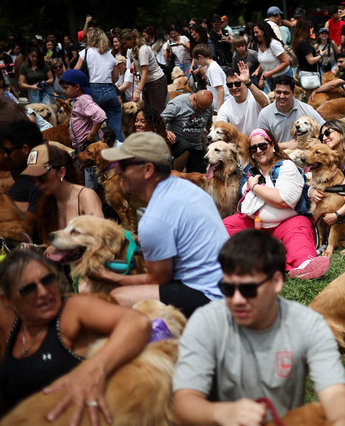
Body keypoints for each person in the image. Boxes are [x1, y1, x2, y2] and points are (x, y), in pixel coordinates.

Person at [172, 229, 345, 425]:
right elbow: (183, 403)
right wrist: (220, 412)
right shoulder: (206, 322)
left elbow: (335, 393)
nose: (237, 299)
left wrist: (341, 420)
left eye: (248, 289)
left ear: (276, 282)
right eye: (228, 289)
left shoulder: (308, 325)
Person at [0, 248, 151, 419]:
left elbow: (138, 322)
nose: (43, 292)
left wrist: (95, 368)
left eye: (47, 279)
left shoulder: (73, 309)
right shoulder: (12, 327)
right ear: (8, 300)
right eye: (28, 289)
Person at [97, 132, 229, 317]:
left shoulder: (154, 218)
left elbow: (158, 280)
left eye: (124, 165)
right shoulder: (184, 187)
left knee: (116, 297)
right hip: (226, 286)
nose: (117, 170)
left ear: (148, 170)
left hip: (211, 298)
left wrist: (109, 277)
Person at [223, 129, 330, 279]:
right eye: (254, 148)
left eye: (263, 146)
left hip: (286, 222)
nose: (259, 151)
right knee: (221, 228)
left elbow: (283, 200)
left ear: (272, 145)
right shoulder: (250, 170)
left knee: (299, 233)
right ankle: (262, 260)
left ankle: (304, 264)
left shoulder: (286, 166)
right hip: (253, 223)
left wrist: (255, 187)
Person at [21, 143, 102, 244]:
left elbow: (101, 237)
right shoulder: (46, 204)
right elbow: (48, 245)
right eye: (32, 180)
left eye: (41, 177)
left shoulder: (85, 196)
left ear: (61, 172)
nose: (37, 184)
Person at [75, 28, 123, 143]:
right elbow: (115, 78)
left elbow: (76, 72)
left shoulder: (85, 53)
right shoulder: (110, 55)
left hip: (93, 91)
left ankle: (97, 151)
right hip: (111, 91)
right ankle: (120, 153)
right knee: (116, 129)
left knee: (93, 127)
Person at [257, 75, 325, 149]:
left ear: (293, 93)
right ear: (274, 92)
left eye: (286, 93)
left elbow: (324, 128)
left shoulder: (306, 109)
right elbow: (262, 144)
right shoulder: (265, 114)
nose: (282, 96)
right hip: (278, 157)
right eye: (278, 92)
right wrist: (285, 145)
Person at [161, 90, 213, 173]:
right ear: (194, 99)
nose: (202, 112)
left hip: (195, 144)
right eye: (200, 108)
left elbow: (209, 125)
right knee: (185, 146)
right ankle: (175, 175)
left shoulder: (208, 107)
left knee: (199, 175)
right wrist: (165, 131)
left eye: (205, 110)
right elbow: (159, 122)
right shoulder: (178, 104)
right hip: (176, 142)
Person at [120, 28, 168, 114]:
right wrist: (134, 68)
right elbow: (133, 63)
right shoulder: (130, 50)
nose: (124, 46)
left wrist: (138, 91)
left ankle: (159, 127)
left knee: (156, 112)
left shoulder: (143, 50)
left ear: (131, 39)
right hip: (147, 82)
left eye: (125, 43)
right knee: (147, 111)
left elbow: (145, 72)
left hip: (156, 81)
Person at [2, 120, 43, 221]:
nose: (5, 155)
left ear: (25, 149)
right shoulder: (48, 169)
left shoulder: (31, 182)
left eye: (8, 151)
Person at [59, 70, 106, 156]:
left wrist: (91, 135)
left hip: (88, 146)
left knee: (91, 167)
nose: (63, 91)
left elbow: (100, 115)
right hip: (82, 146)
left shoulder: (83, 100)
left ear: (77, 87)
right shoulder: (79, 99)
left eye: (65, 88)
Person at [217, 62, 269, 137]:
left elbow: (265, 104)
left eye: (237, 84)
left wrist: (248, 82)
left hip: (260, 143)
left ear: (244, 83)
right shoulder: (226, 106)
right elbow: (219, 128)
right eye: (230, 85)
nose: (234, 88)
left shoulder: (256, 95)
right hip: (240, 145)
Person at [252, 21, 291, 93]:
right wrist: (258, 70)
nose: (255, 35)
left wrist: (271, 72)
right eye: (254, 33)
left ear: (264, 31)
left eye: (257, 32)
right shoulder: (259, 45)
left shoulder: (274, 44)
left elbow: (286, 62)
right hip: (269, 78)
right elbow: (265, 61)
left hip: (282, 77)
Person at [191, 43, 230, 112]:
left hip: (222, 106)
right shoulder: (209, 67)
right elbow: (201, 68)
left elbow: (220, 89)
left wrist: (219, 108)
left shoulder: (213, 69)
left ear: (200, 57)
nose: (198, 63)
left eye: (197, 61)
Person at [293, 19, 322, 99]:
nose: (311, 30)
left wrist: (314, 54)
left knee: (310, 97)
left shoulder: (298, 42)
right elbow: (311, 61)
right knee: (312, 99)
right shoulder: (304, 43)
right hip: (310, 74)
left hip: (305, 73)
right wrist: (321, 56)